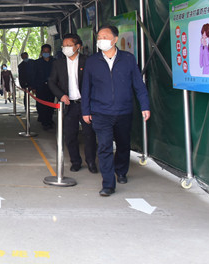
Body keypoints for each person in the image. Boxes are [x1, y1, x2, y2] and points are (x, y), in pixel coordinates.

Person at [81, 25, 150, 197]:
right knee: (104, 146)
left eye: (105, 37)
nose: (101, 40)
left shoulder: (128, 59)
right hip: (100, 112)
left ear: (115, 39)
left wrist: (145, 106)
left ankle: (121, 171)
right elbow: (86, 87)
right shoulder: (92, 61)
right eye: (99, 37)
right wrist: (85, 110)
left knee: (123, 144)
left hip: (123, 111)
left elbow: (138, 85)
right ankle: (108, 184)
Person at [48, 34, 97, 173]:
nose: (66, 48)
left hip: (85, 104)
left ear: (78, 46)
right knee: (70, 135)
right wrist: (61, 95)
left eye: (69, 45)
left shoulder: (88, 61)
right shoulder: (58, 63)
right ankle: (75, 162)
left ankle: (91, 161)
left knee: (89, 134)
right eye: (64, 46)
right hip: (69, 105)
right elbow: (51, 82)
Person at [33, 44, 56, 130]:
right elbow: (34, 75)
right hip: (40, 87)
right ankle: (44, 121)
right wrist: (34, 87)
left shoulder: (54, 62)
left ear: (50, 52)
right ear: (42, 52)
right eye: (44, 51)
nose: (46, 53)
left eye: (48, 51)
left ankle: (49, 119)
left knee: (50, 104)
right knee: (41, 105)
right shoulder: (37, 63)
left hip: (51, 87)